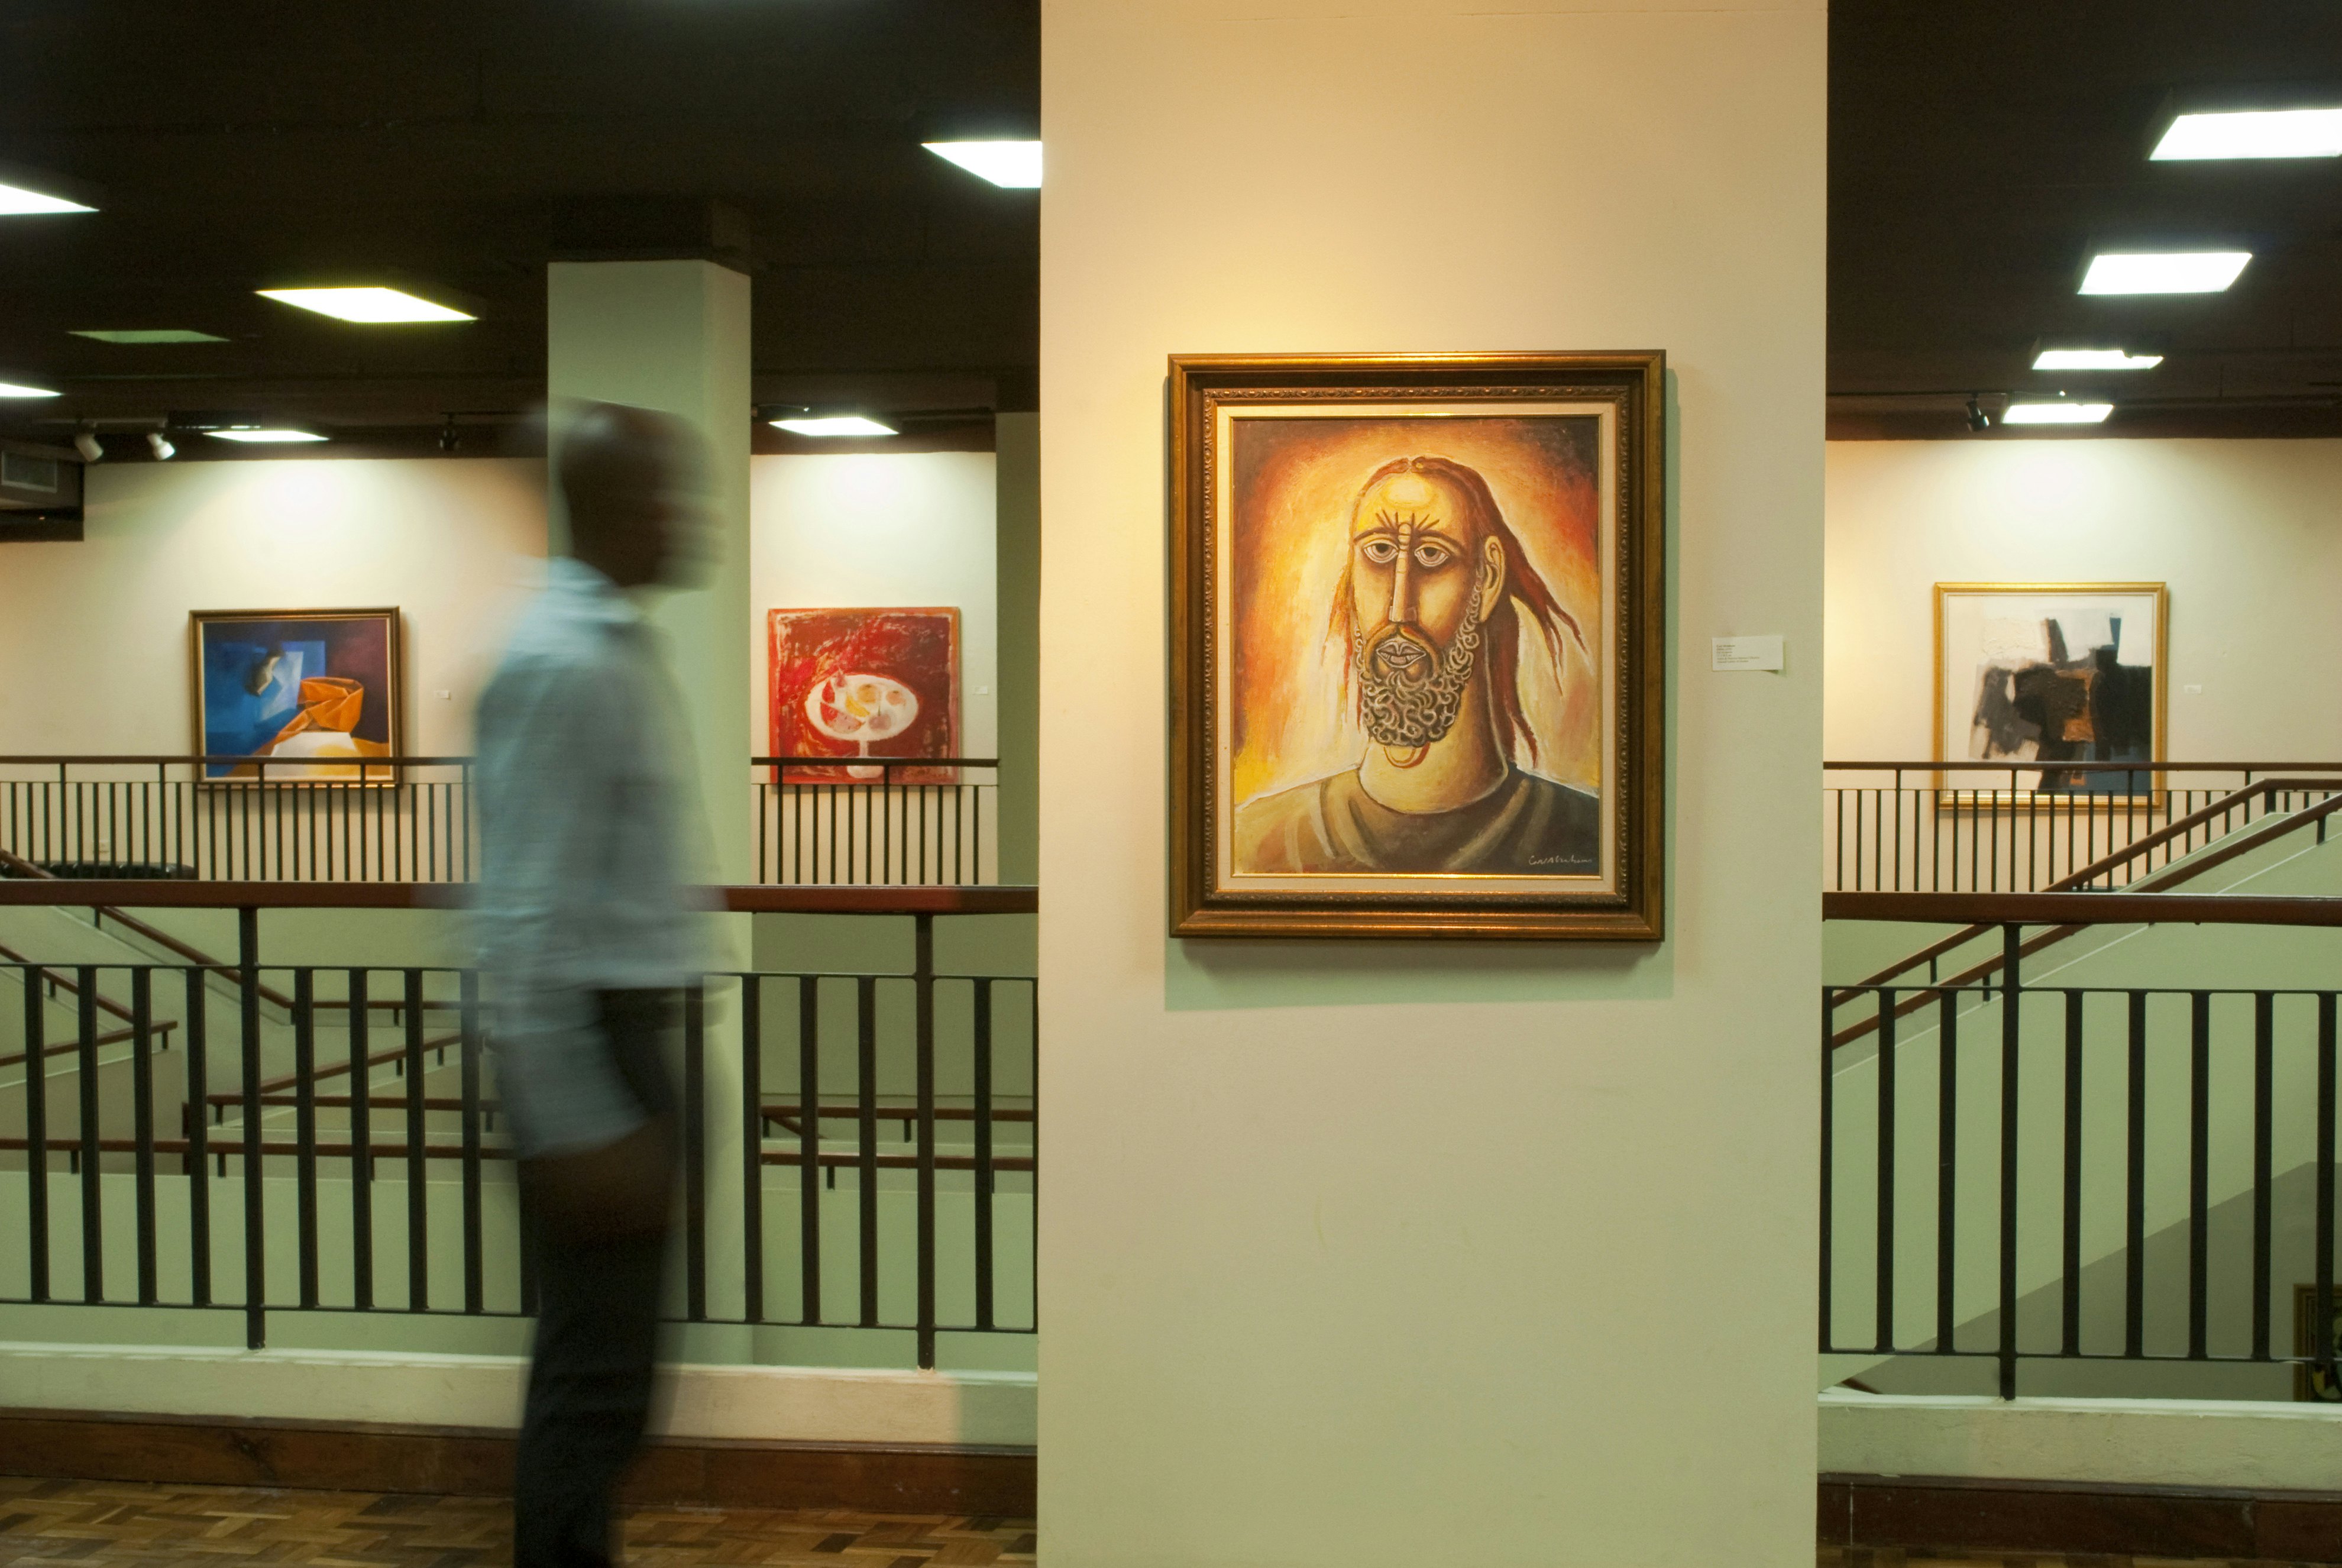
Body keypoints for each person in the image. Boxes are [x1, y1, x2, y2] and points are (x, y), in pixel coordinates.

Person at [474, 401, 708, 1568]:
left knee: (614, 1387)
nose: (690, 518)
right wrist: (576, 1118)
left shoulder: (606, 644)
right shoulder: (559, 661)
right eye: (670, 493)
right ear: (613, 506)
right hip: (598, 1051)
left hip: (631, 1040)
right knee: (593, 1390)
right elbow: (517, 916)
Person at [1233, 454, 1601, 876]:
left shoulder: (1586, 839)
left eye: (1432, 555)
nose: (1399, 610)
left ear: (1489, 578)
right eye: (1379, 551)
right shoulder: (1256, 845)